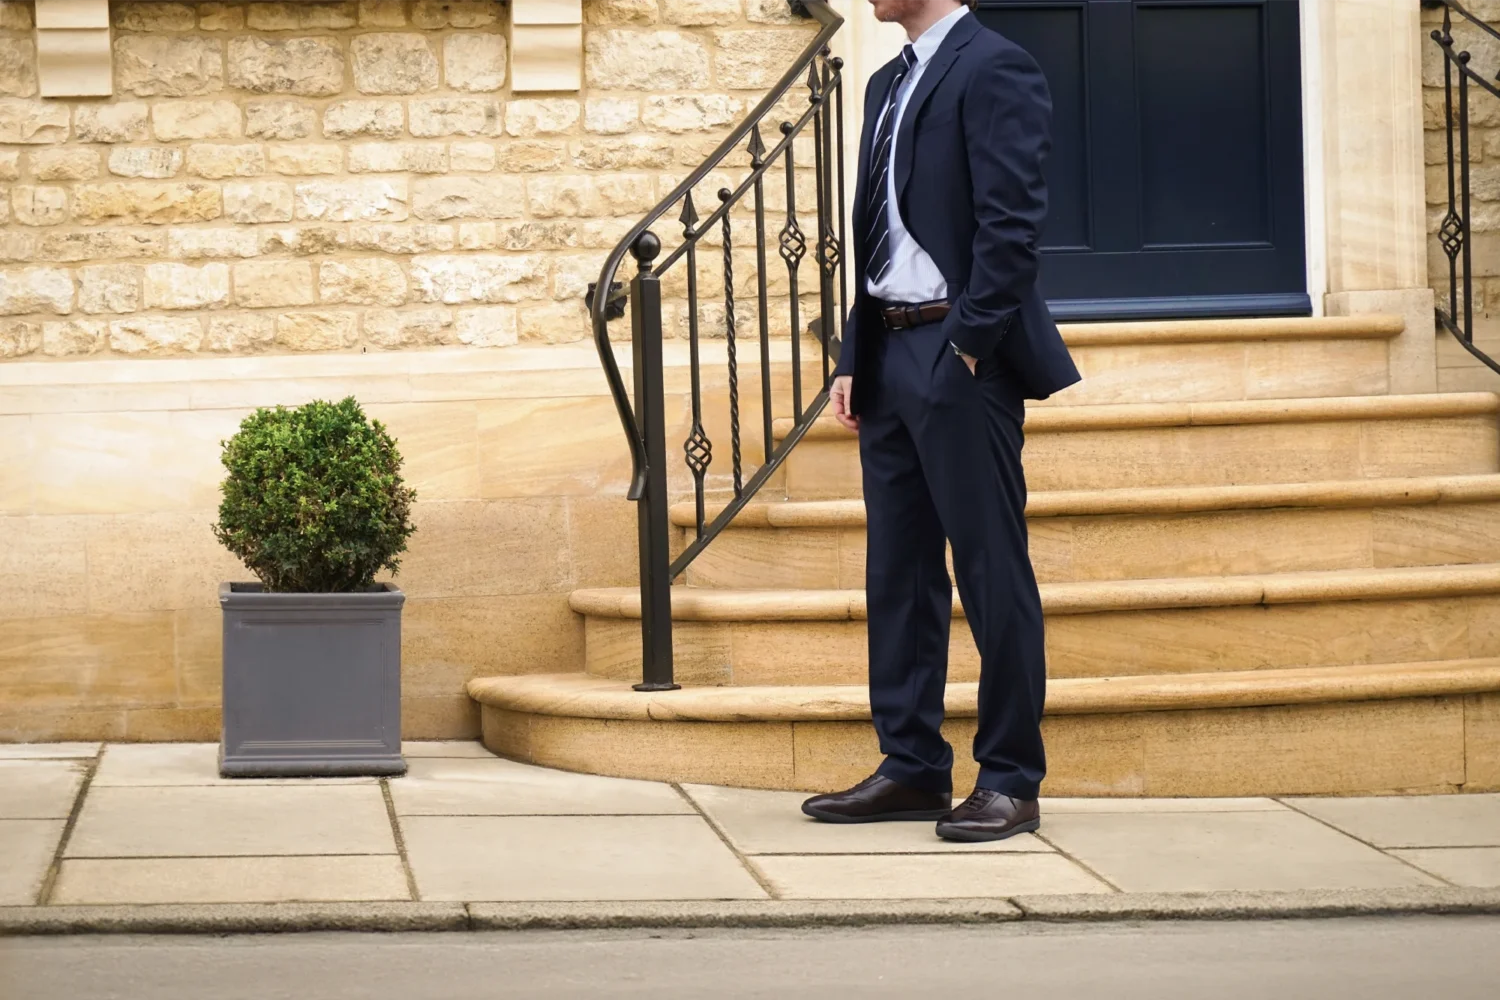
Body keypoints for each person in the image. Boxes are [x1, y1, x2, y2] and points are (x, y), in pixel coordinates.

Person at [800, 0, 1080, 842]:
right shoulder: (888, 79)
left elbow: (1012, 224)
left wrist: (967, 345)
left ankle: (1010, 778)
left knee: (991, 570)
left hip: (959, 351)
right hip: (888, 352)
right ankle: (914, 765)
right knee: (899, 573)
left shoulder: (995, 66)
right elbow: (876, 231)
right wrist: (853, 355)